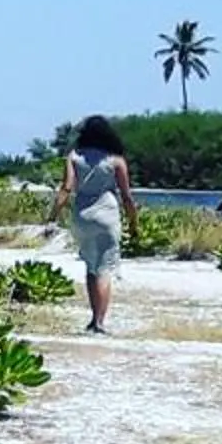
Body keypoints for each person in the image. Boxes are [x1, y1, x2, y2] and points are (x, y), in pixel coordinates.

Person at [62, 115, 140, 335]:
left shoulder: (74, 157)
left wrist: (52, 214)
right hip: (107, 215)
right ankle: (99, 321)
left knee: (91, 267)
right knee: (104, 269)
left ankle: (92, 317)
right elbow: (126, 196)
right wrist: (133, 223)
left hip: (82, 215)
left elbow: (67, 187)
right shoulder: (116, 161)